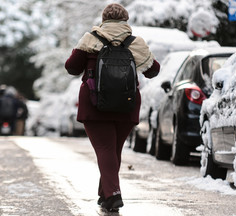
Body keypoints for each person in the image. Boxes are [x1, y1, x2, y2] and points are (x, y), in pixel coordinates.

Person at [65, 3, 160, 212]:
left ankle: (114, 194)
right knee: (113, 151)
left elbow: (71, 67)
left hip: (94, 104)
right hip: (126, 105)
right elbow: (153, 71)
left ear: (103, 20)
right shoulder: (135, 42)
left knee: (105, 150)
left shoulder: (91, 38)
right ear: (125, 21)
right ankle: (105, 195)